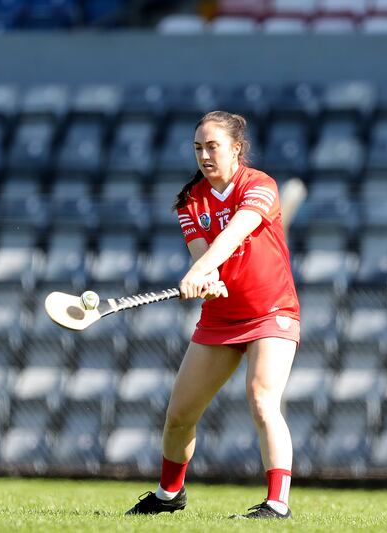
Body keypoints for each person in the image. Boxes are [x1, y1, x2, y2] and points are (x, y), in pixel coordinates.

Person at [125, 111, 300, 519]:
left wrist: (198, 273)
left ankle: (277, 503)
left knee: (261, 398)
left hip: (271, 309)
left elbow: (237, 231)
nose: (204, 155)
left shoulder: (259, 186)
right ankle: (169, 495)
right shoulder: (190, 200)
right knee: (180, 415)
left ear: (237, 148)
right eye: (198, 148)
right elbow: (206, 256)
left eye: (213, 146)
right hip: (222, 316)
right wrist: (207, 277)